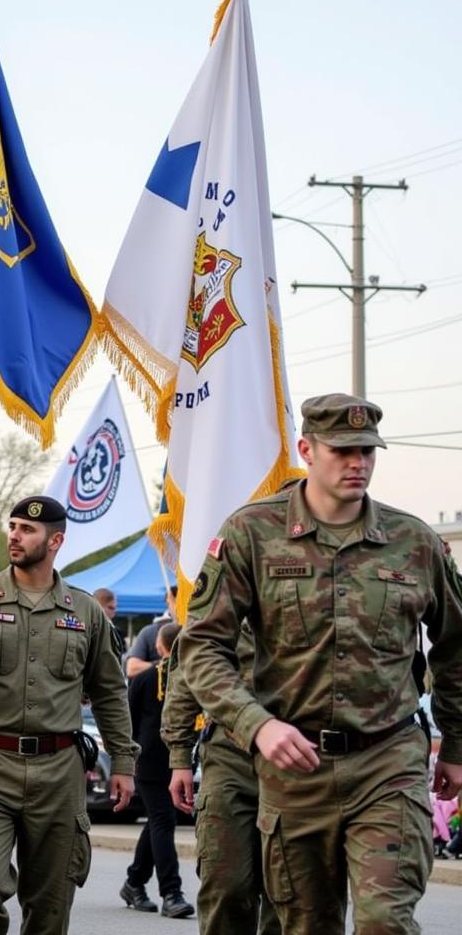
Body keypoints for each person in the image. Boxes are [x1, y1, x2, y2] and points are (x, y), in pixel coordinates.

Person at [180, 393, 462, 935]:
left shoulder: (416, 542)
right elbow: (202, 646)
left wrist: (456, 744)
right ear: (307, 449)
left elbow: (456, 645)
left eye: (367, 451)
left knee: (386, 922)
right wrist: (255, 726)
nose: (358, 463)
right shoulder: (250, 535)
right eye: (343, 450)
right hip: (295, 769)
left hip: (387, 760)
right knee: (307, 925)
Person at [0, 494, 138, 935]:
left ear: (56, 540)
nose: (14, 535)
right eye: (12, 527)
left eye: (27, 530)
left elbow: (109, 691)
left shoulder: (85, 612)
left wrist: (123, 761)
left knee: (51, 905)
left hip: (58, 770)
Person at [162, 625, 279, 934]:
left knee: (288, 894)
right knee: (227, 884)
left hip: (297, 759)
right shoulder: (221, 603)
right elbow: (188, 672)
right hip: (230, 756)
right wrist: (179, 759)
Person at [120, 621, 194, 919]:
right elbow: (130, 722)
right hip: (149, 761)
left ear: (160, 647)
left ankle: (134, 881)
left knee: (157, 821)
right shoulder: (149, 678)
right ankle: (171, 892)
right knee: (162, 821)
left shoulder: (189, 677)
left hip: (177, 762)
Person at [125, 584, 176, 678]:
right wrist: (163, 664)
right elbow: (132, 668)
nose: (172, 608)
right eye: (170, 603)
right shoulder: (151, 632)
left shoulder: (197, 630)